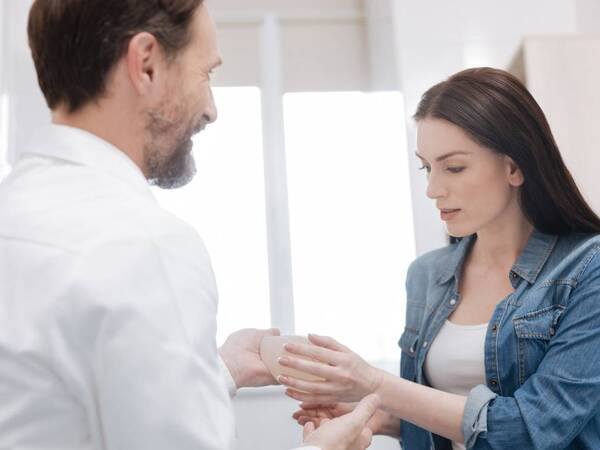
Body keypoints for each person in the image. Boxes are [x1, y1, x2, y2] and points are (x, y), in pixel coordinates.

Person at [0, 1, 378, 449]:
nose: (212, 109)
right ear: (146, 64)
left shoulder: (16, 210)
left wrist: (223, 369)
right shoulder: (146, 244)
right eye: (207, 75)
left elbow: (57, 405)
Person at [279, 67, 600, 449]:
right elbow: (441, 415)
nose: (433, 189)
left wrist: (374, 384)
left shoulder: (586, 269)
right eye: (426, 167)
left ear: (514, 167)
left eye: (454, 167)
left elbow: (531, 429)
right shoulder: (426, 275)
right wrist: (378, 415)